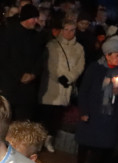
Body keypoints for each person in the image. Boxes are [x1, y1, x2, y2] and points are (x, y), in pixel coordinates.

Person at [75, 35, 118, 163]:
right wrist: (84, 111)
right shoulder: (95, 68)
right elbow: (84, 90)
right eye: (117, 55)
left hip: (110, 115)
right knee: (86, 144)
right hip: (93, 112)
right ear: (107, 55)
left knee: (102, 146)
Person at [40, 19, 84, 152]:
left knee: (57, 117)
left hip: (66, 87)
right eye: (66, 29)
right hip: (51, 86)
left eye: (72, 30)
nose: (69, 33)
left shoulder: (79, 48)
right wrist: (60, 77)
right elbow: (51, 65)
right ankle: (40, 139)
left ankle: (49, 140)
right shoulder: (52, 45)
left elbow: (79, 66)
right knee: (46, 114)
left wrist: (69, 78)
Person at [0, 5, 46, 120]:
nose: (36, 21)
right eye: (33, 18)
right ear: (25, 18)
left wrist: (33, 74)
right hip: (9, 86)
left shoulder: (36, 36)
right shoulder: (8, 34)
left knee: (23, 122)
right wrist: (19, 75)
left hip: (27, 90)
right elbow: (3, 58)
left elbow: (41, 59)